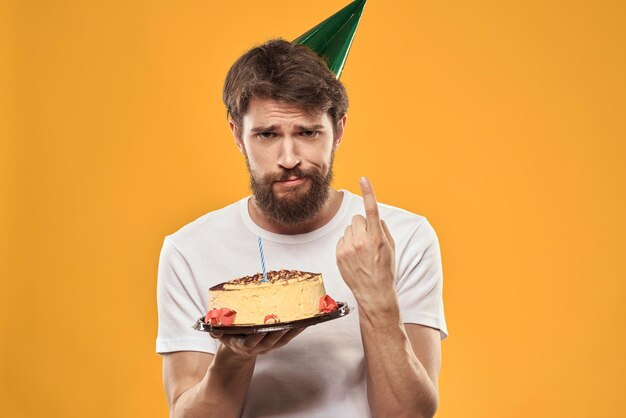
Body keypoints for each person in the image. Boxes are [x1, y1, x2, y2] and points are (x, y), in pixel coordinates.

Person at [156, 38, 448, 418]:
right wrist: (236, 353)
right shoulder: (189, 251)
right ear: (237, 135)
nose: (289, 159)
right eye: (267, 135)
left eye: (307, 133)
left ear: (338, 131)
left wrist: (378, 299)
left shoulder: (402, 239)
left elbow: (408, 415)